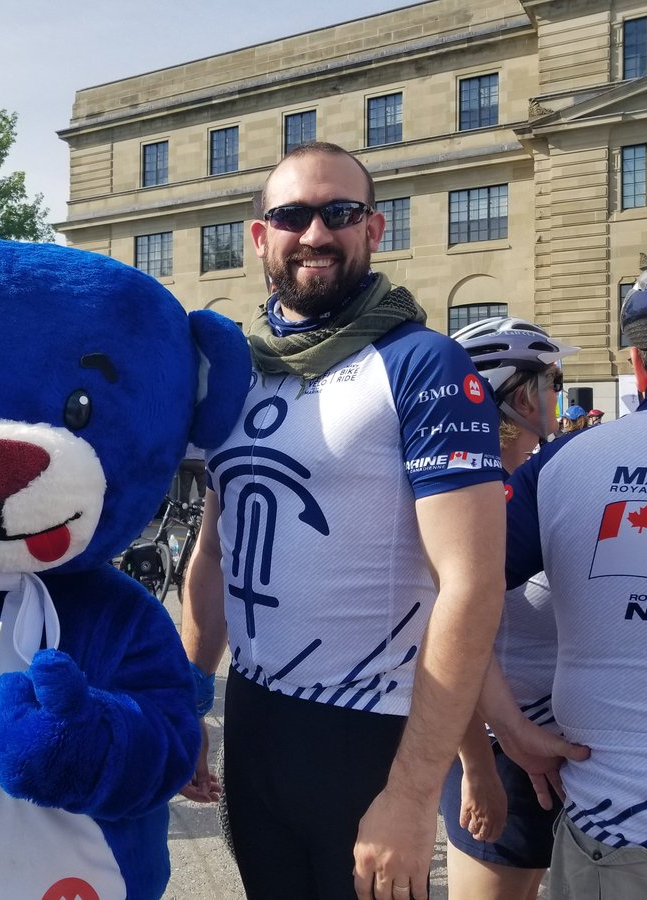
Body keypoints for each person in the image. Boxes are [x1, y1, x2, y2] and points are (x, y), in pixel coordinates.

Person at [179, 141, 507, 900]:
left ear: (374, 230)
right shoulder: (238, 370)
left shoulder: (425, 363)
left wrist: (414, 791)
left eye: (340, 213)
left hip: (370, 735)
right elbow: (215, 551)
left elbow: (472, 584)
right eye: (292, 215)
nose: (316, 233)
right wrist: (189, 696)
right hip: (255, 719)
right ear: (260, 235)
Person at [494, 251, 647, 898]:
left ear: (638, 365)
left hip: (616, 826)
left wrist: (510, 729)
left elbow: (446, 593)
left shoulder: (563, 464)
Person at [440, 317, 578, 899]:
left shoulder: (550, 481)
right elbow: (440, 629)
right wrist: (476, 765)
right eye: (555, 383)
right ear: (522, 396)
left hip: (550, 749)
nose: (559, 397)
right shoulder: (476, 498)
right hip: (502, 752)